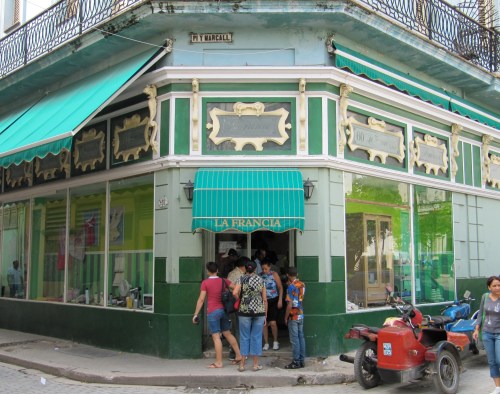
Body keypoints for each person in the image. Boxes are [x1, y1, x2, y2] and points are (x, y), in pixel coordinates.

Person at [192, 261, 242, 368]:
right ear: (217, 270)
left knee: (216, 337)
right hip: (224, 311)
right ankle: (238, 355)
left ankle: (219, 362)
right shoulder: (224, 280)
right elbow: (237, 288)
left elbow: (201, 299)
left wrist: (195, 314)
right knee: (227, 333)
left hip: (213, 312)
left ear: (208, 272)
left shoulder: (205, 283)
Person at [232, 259, 267, 372]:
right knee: (256, 337)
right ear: (255, 269)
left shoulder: (241, 279)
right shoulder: (261, 280)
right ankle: (255, 365)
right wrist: (265, 315)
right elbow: (265, 299)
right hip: (259, 311)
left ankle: (242, 365)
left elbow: (234, 292)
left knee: (244, 336)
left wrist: (241, 300)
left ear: (245, 269)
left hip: (244, 311)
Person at [473, 275, 500, 394]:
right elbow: (480, 314)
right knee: (492, 361)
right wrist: (476, 329)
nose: (497, 287)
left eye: (499, 285)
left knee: (499, 360)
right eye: (494, 286)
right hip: (487, 333)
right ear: (489, 287)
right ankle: (498, 387)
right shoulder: (485, 297)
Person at [227, 256, 249, 361]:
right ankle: (236, 353)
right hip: (237, 304)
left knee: (235, 329)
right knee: (238, 329)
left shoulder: (232, 273)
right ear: (244, 266)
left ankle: (235, 352)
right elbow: (236, 291)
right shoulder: (239, 275)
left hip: (233, 304)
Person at [284, 267, 306, 369]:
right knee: (301, 337)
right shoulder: (302, 285)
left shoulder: (290, 287)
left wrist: (285, 317)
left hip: (293, 315)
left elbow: (289, 304)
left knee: (294, 339)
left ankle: (296, 361)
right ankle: (302, 360)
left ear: (288, 275)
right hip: (301, 313)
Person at [260, 259, 283, 351]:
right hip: (264, 301)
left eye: (266, 269)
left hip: (274, 300)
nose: (264, 271)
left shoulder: (274, 275)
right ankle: (266, 342)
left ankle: (275, 341)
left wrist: (280, 300)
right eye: (263, 269)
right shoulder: (260, 276)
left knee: (273, 322)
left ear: (269, 267)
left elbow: (280, 288)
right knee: (264, 323)